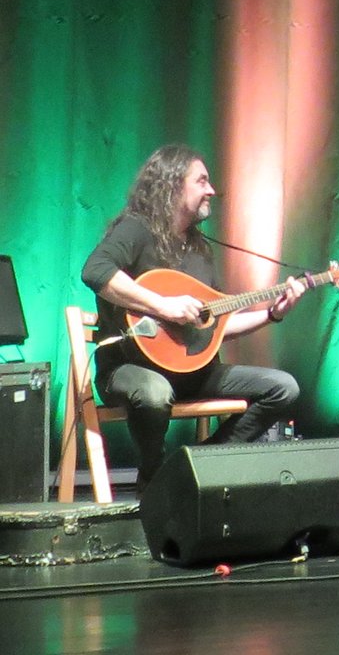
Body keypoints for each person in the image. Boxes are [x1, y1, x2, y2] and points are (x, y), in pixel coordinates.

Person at [80, 145, 305, 487]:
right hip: (130, 369)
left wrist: (272, 314)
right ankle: (154, 479)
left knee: (283, 388)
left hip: (193, 372)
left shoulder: (200, 249)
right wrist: (162, 305)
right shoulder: (136, 229)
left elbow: (216, 325)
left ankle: (193, 466)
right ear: (172, 184)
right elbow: (95, 271)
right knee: (154, 392)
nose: (211, 190)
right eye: (201, 181)